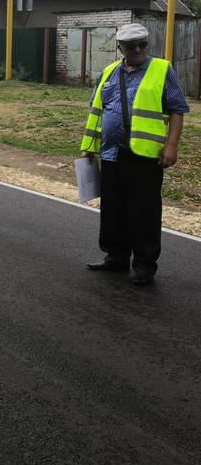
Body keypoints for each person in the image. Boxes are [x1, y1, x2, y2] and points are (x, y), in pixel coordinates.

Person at [80, 22, 189, 286]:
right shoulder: (108, 72)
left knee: (144, 211)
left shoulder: (162, 70)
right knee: (113, 209)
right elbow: (98, 111)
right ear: (120, 48)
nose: (138, 50)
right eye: (131, 47)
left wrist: (171, 145)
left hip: (144, 155)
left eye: (142, 45)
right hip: (111, 153)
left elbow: (177, 109)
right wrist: (89, 147)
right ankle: (115, 258)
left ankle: (144, 265)